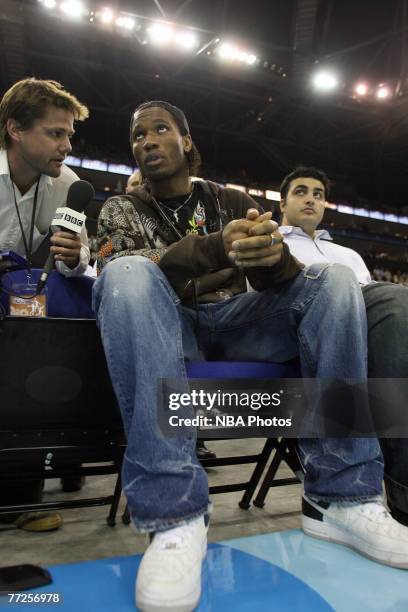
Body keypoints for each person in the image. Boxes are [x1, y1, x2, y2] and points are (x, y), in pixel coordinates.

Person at [94, 101, 408, 612]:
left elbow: (270, 279)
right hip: (168, 325)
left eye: (160, 130)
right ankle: (175, 517)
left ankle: (341, 497)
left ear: (187, 141)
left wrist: (273, 260)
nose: (147, 141)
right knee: (127, 274)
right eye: (136, 136)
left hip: (238, 319)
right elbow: (127, 271)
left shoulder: (229, 199)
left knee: (334, 280)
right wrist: (214, 249)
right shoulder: (118, 209)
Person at [279, 165, 408, 527]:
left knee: (398, 311)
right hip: (303, 333)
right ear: (283, 201)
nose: (310, 199)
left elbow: (378, 306)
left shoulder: (348, 254)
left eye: (318, 194)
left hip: (367, 336)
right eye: (301, 191)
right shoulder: (272, 240)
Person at [0, 77, 90, 531]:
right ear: (15, 130)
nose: (67, 145)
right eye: (56, 133)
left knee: (40, 358)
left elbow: (79, 259)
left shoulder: (68, 185)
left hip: (27, 304)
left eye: (70, 135)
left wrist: (75, 257)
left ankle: (22, 497)